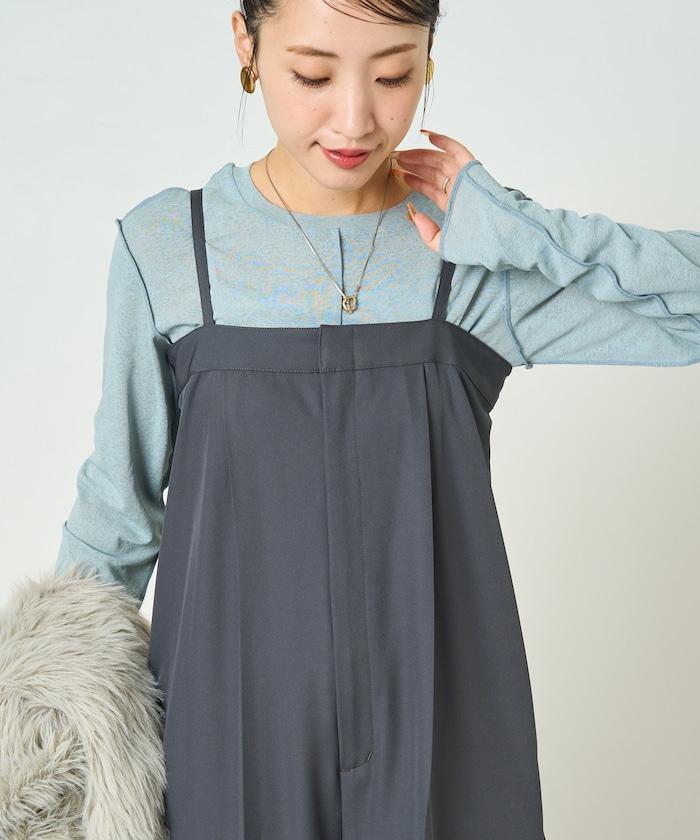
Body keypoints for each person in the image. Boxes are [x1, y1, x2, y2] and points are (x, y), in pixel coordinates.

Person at [2, 1, 698, 838]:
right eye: (313, 74)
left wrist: (528, 231)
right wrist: (42, 752)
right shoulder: (170, 248)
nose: (356, 118)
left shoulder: (473, 255)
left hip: (449, 719)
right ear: (246, 44)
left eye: (394, 74)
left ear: (429, 55)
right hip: (227, 726)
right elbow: (120, 510)